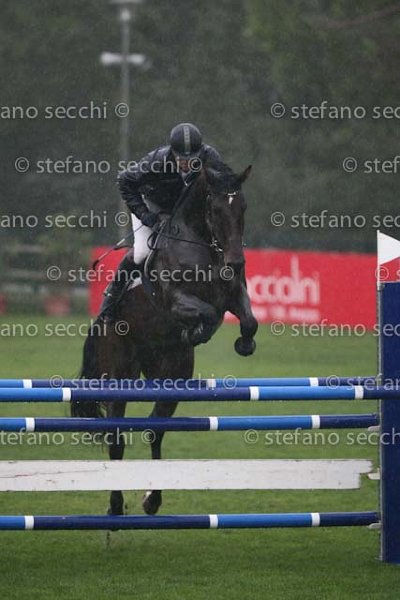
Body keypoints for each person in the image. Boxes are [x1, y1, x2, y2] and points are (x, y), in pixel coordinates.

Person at [100, 122, 222, 323]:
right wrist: (145, 215)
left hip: (185, 212)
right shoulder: (156, 161)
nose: (186, 163)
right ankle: (111, 298)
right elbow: (124, 180)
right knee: (141, 253)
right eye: (181, 159)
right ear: (172, 152)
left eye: (191, 159)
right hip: (153, 205)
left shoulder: (210, 157)